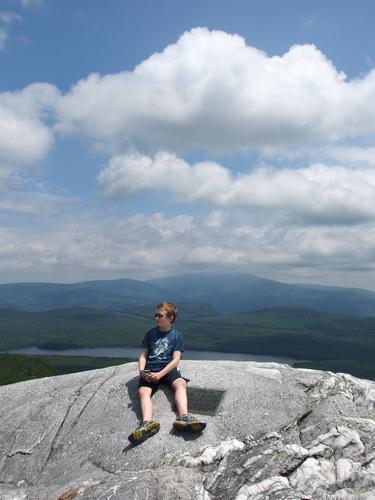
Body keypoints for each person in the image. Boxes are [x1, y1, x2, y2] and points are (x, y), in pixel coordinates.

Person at [129, 301, 206, 444]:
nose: (156, 318)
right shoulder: (151, 334)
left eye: (160, 315)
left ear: (170, 318)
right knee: (143, 392)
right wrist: (141, 371)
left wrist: (161, 374)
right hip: (151, 369)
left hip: (168, 369)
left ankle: (184, 417)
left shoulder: (177, 335)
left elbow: (176, 360)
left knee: (181, 383)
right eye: (156, 315)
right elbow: (143, 355)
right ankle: (147, 423)